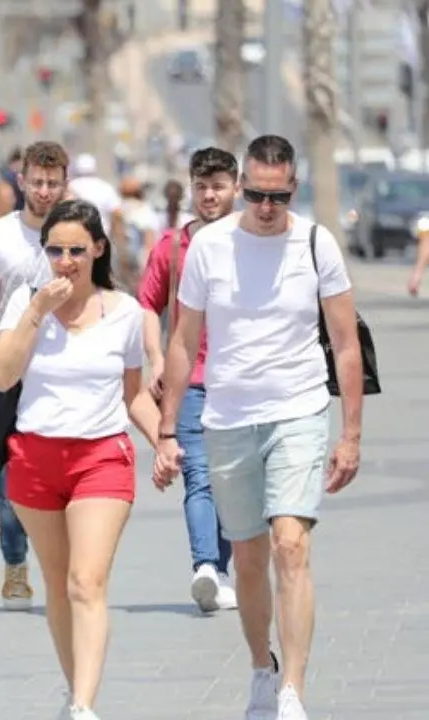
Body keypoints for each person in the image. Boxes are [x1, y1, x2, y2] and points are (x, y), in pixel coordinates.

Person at [155, 135, 363, 720]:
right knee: (247, 558)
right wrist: (168, 429)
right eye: (256, 194)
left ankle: (293, 690)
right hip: (227, 417)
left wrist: (350, 434)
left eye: (277, 195)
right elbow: (182, 338)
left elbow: (345, 346)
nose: (266, 206)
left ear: (293, 188)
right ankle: (261, 670)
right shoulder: (210, 247)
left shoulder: (318, 244)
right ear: (242, 186)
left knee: (290, 546)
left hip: (298, 410)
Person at [0, 199, 160, 720]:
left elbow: (133, 395)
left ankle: (84, 706)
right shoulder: (25, 301)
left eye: (76, 250)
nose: (65, 260)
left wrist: (165, 442)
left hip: (101, 458)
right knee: (60, 587)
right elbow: (1, 375)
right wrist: (37, 311)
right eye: (55, 250)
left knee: (87, 582)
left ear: (98, 250)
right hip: (36, 458)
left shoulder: (124, 311)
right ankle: (75, 688)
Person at [137, 147, 240, 614]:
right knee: (199, 474)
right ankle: (205, 567)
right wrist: (157, 358)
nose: (210, 195)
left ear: (236, 187)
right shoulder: (173, 247)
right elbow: (146, 305)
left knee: (233, 482)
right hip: (191, 380)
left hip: (242, 381)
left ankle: (220, 569)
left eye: (218, 186)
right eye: (202, 187)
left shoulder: (251, 242)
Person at [0, 141, 68, 611]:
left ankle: (63, 567)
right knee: (14, 474)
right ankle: (14, 558)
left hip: (66, 370)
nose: (45, 191)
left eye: (53, 183)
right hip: (13, 369)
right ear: (22, 180)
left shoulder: (77, 230)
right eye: (37, 182)